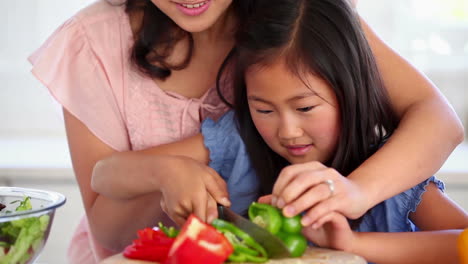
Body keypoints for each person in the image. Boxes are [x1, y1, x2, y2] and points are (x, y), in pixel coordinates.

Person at [28, 0, 464, 263]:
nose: (288, 129)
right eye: (263, 108)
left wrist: (356, 194)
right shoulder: (234, 140)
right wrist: (165, 173)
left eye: (305, 106)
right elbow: (106, 184)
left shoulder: (302, 20)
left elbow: (439, 124)